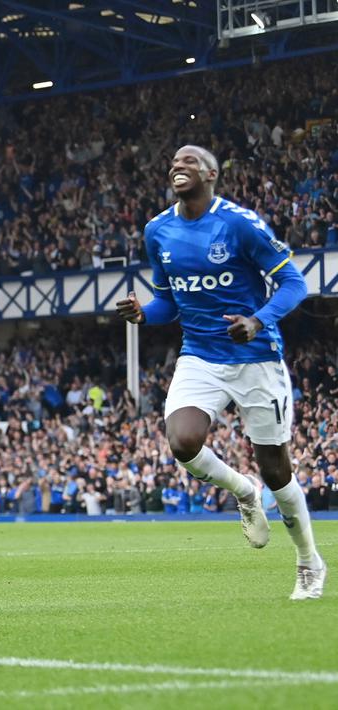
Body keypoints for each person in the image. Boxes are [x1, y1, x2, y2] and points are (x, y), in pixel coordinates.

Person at [116, 144, 324, 600]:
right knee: (182, 441)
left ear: (211, 173)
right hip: (200, 355)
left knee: (277, 470)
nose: (177, 165)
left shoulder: (240, 224)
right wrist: (144, 313)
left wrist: (257, 320)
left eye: (189, 161)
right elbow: (169, 299)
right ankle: (243, 492)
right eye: (173, 161)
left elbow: (295, 283)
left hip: (256, 359)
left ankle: (309, 560)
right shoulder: (158, 230)